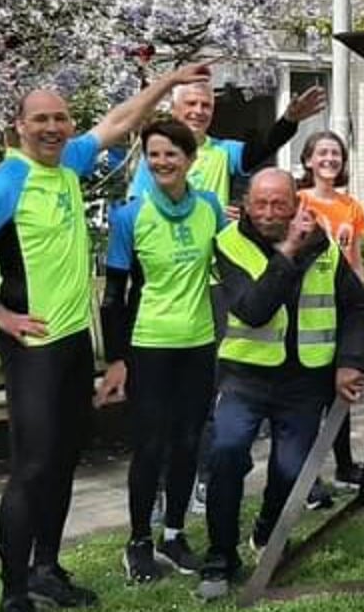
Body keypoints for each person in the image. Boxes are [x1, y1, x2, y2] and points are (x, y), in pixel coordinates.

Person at [0, 64, 211, 612]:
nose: (52, 127)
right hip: (34, 346)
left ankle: (47, 569)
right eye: (41, 119)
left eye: (60, 118)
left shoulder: (69, 163)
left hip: (75, 341)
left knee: (61, 460)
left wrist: (169, 83)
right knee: (32, 466)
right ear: (20, 126)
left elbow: (123, 120)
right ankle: (14, 592)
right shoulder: (9, 180)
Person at [197, 170, 364, 600]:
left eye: (280, 204)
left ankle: (266, 534)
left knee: (291, 470)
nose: (270, 214)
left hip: (305, 379)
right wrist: (290, 250)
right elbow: (253, 310)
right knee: (226, 454)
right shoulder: (228, 245)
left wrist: (350, 363)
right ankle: (220, 557)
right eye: (261, 204)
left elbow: (357, 306)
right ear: (247, 203)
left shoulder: (324, 245)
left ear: (296, 204)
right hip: (246, 376)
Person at [96, 120, 227, 584]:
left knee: (189, 443)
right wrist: (116, 359)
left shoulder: (211, 208)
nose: (162, 162)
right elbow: (113, 297)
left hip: (197, 345)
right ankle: (138, 543)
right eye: (153, 154)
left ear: (190, 160)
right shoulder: (129, 217)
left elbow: (236, 265)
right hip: (148, 347)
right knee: (150, 447)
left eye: (171, 154)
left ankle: (174, 534)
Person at [296, 132, 364, 497]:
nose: (329, 159)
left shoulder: (351, 207)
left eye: (336, 153)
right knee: (307, 395)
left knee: (341, 389)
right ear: (309, 160)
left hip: (343, 306)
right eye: (322, 153)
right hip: (309, 310)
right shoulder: (298, 202)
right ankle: (307, 476)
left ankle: (345, 466)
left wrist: (361, 305)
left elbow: (356, 259)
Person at [128, 80, 328, 209]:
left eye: (206, 105)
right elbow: (138, 208)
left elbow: (263, 147)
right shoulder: (156, 157)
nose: (198, 111)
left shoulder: (223, 151)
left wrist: (289, 120)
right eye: (191, 103)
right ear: (174, 109)